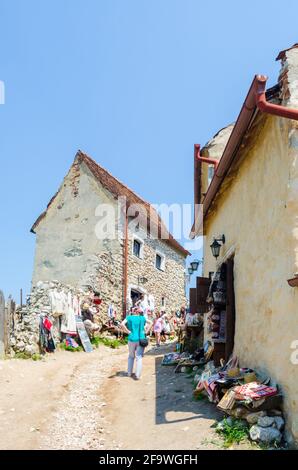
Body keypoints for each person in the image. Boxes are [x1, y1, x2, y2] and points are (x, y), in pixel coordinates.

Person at [121, 307, 149, 380]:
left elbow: (122, 324)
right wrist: (146, 331)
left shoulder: (129, 317)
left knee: (131, 356)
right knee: (139, 357)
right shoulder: (142, 318)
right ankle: (137, 375)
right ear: (138, 311)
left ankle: (129, 373)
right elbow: (151, 322)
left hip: (132, 338)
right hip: (141, 339)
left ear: (132, 311)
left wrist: (128, 331)